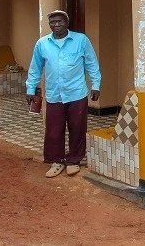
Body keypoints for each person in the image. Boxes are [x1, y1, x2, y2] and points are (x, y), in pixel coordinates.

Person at [26, 10, 101, 178]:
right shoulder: (42, 43)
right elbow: (35, 68)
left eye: (60, 21)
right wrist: (30, 89)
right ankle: (57, 161)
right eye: (53, 22)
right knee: (54, 130)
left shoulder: (81, 40)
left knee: (77, 127)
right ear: (49, 24)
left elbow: (91, 63)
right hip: (54, 95)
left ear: (67, 23)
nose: (56, 24)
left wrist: (96, 85)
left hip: (77, 93)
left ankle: (74, 160)